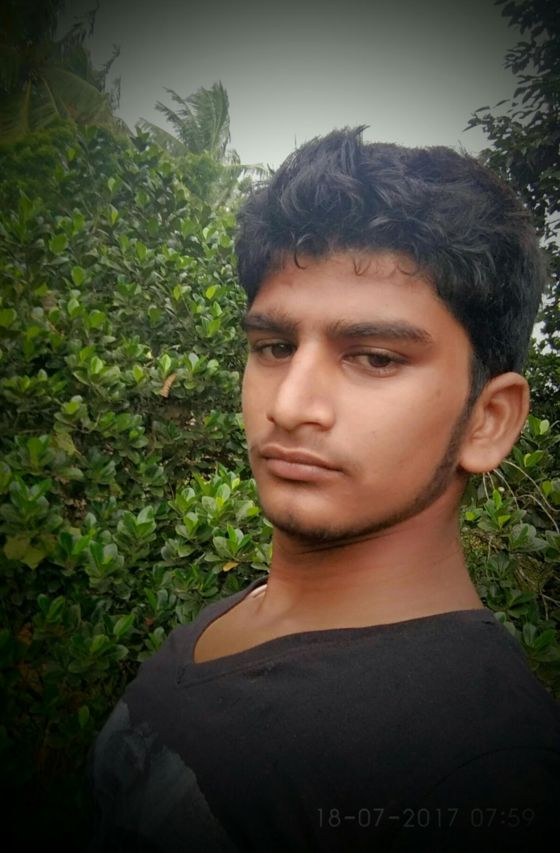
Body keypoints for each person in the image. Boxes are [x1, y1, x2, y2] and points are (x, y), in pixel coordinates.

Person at [88, 127, 560, 851]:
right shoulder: (234, 616)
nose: (289, 406)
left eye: (375, 358)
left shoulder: (486, 768)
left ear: (488, 420)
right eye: (274, 347)